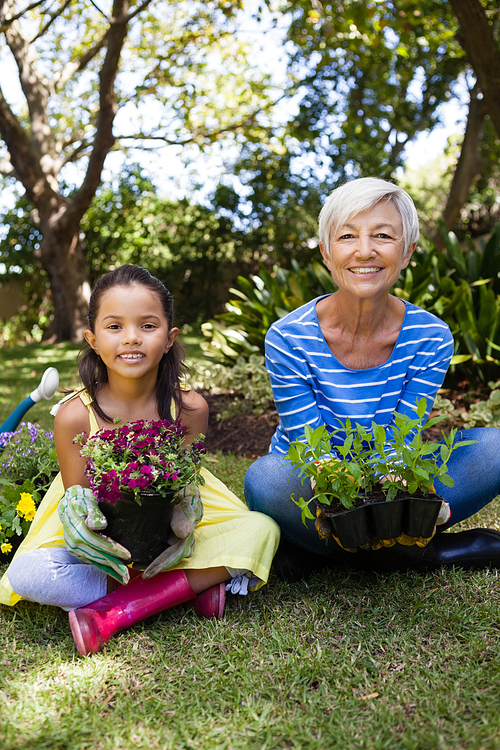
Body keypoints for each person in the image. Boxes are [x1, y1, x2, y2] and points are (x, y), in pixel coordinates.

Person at [0, 265, 279, 655]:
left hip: (166, 524)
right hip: (100, 535)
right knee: (27, 573)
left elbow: (185, 484)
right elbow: (77, 501)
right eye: (115, 327)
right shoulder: (74, 415)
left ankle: (113, 610)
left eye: (147, 326)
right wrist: (87, 535)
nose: (131, 338)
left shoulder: (189, 408)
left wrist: (185, 518)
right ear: (93, 340)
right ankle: (183, 590)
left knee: (262, 530)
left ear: (169, 338)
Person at [244, 177, 500, 578]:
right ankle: (411, 548)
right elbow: (311, 447)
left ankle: (330, 552)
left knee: (494, 448)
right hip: (315, 480)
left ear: (407, 251)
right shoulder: (288, 337)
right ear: (328, 254)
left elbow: (403, 437)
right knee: (266, 479)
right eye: (348, 236)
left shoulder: (431, 336)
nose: (365, 250)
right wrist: (353, 502)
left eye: (383, 235)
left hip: (391, 473)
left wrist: (390, 494)